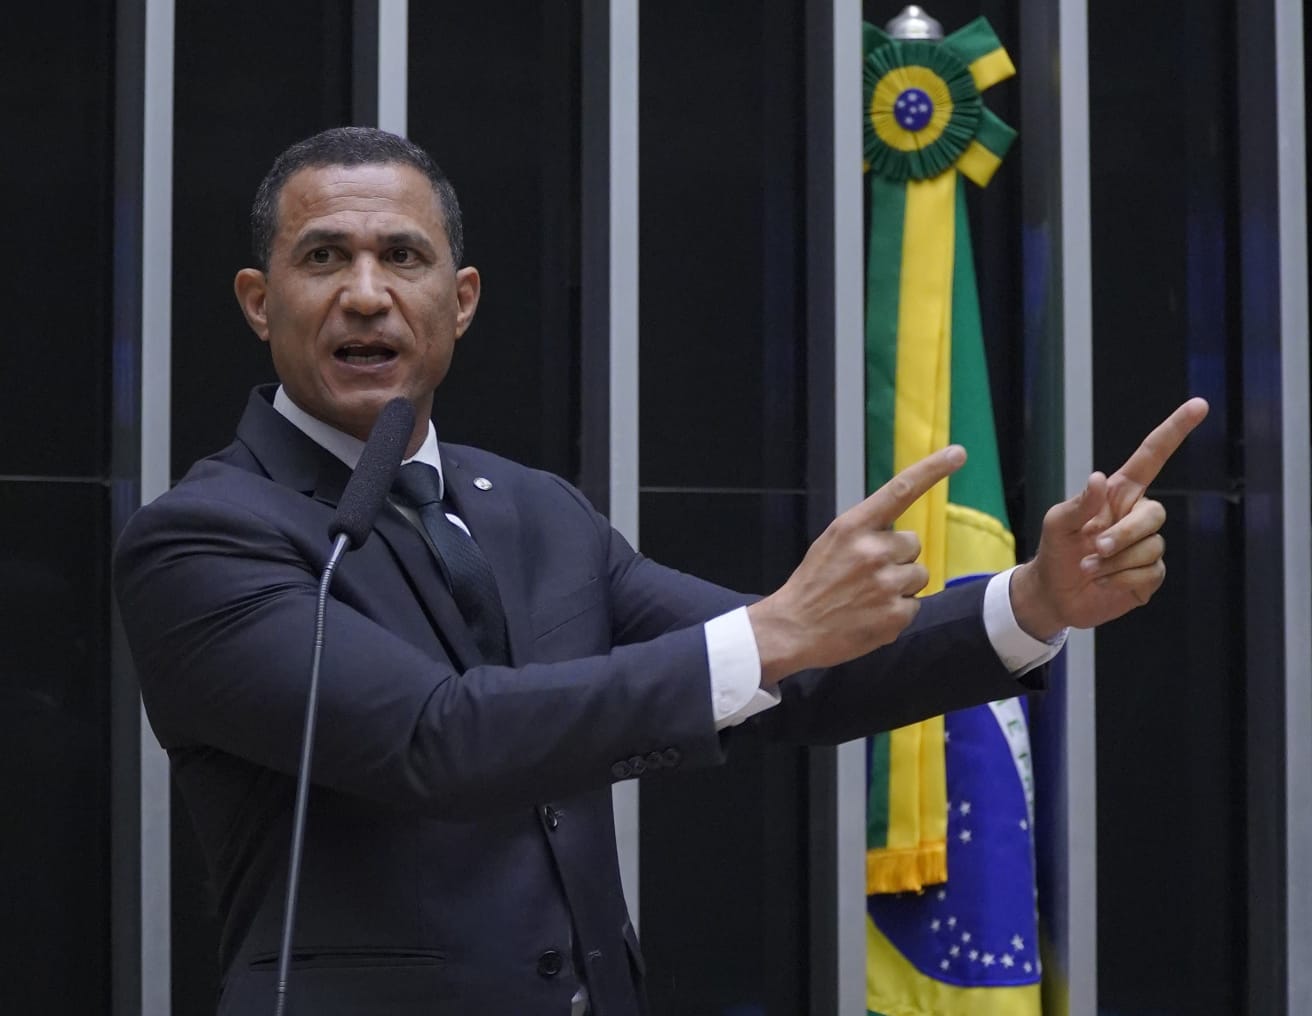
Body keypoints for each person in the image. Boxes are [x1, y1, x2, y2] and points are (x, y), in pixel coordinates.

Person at [113, 127, 1207, 1015]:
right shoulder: (203, 537)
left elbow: (793, 670)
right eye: (324, 258)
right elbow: (434, 738)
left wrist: (1032, 601)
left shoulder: (534, 511)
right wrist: (771, 633)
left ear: (463, 299)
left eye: (403, 256)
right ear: (258, 300)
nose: (365, 292)